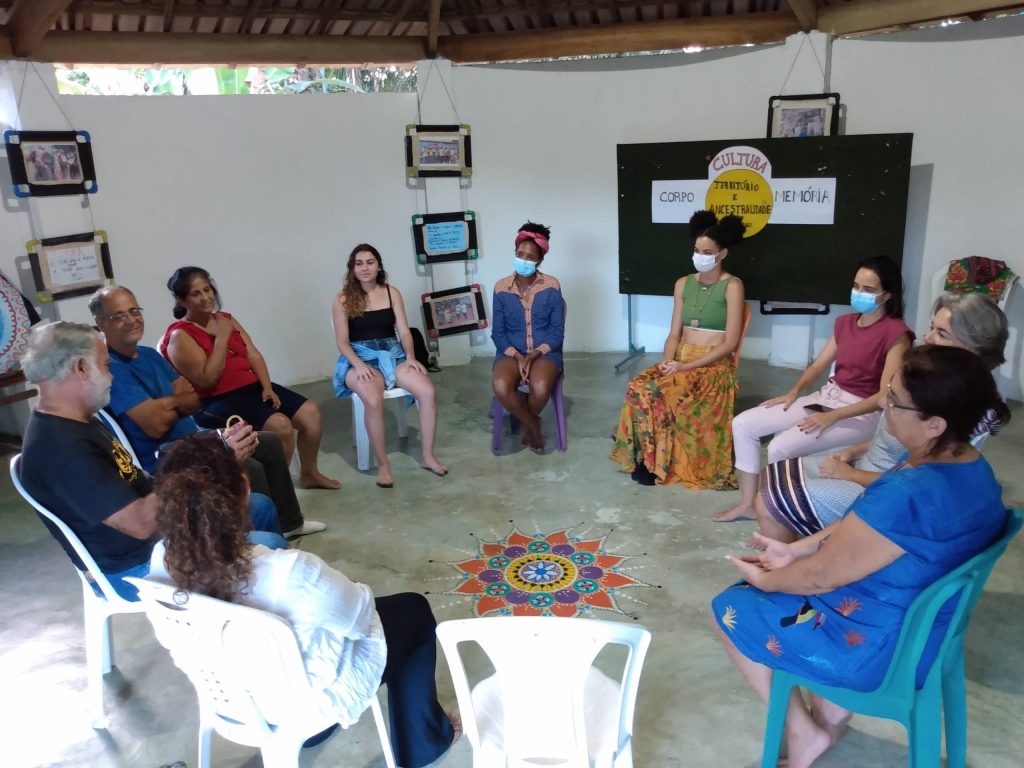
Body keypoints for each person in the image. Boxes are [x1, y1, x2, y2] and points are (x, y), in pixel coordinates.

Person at [712, 345, 1009, 768]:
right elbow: (859, 531)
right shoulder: (970, 466)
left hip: (881, 648)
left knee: (730, 606)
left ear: (934, 424)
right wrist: (794, 549)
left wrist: (767, 579)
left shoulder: (908, 492)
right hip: (925, 629)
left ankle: (805, 732)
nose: (885, 408)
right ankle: (828, 722)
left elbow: (819, 579)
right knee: (792, 579)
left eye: (894, 401)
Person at [149, 435, 458, 767]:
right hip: (300, 702)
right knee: (413, 610)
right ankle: (423, 744)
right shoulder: (290, 573)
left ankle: (318, 734)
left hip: (229, 696)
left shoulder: (161, 562)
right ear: (245, 488)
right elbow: (359, 617)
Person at [17, 322, 286, 602]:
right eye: (106, 365)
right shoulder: (62, 449)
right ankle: (259, 611)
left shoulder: (77, 420)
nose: (111, 376)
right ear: (82, 368)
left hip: (154, 540)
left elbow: (142, 486)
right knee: (271, 545)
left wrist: (213, 447)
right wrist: (215, 465)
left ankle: (254, 601)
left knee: (260, 507)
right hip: (133, 567)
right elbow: (141, 523)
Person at [757, 292, 1009, 541]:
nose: (927, 338)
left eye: (942, 334)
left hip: (882, 493)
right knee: (775, 476)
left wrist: (848, 474)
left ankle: (802, 568)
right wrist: (853, 452)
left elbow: (915, 484)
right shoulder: (937, 379)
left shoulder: (961, 405)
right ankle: (807, 555)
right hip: (869, 469)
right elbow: (893, 436)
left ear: (973, 348)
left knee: (770, 501)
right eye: (931, 328)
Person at [90, 286, 325, 540]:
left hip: (195, 437)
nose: (131, 319)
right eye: (119, 315)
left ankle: (289, 523)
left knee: (266, 441)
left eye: (134, 311)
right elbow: (155, 426)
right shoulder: (113, 368)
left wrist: (166, 403)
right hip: (167, 455)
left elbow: (192, 400)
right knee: (248, 461)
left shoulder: (148, 355)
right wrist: (175, 401)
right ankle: (253, 540)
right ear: (101, 323)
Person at [717, 255, 913, 522]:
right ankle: (749, 504)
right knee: (743, 424)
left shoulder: (896, 333)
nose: (859, 293)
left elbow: (883, 397)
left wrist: (832, 416)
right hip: (826, 398)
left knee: (779, 447)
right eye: (856, 286)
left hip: (860, 413)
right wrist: (793, 392)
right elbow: (820, 364)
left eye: (868, 290)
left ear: (887, 295)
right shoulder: (845, 322)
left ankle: (778, 512)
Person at [158, 266, 340, 490]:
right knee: (280, 426)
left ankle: (309, 474)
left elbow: (253, 354)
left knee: (311, 413)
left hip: (251, 388)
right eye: (196, 294)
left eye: (208, 290)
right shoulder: (180, 335)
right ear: (182, 300)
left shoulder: (226, 319)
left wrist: (267, 387)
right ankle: (277, 491)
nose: (206, 297)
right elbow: (207, 379)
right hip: (215, 400)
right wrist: (222, 338)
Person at [610, 210, 746, 488]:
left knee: (656, 392)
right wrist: (668, 361)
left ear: (723, 254)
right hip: (680, 358)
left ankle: (654, 465)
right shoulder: (683, 283)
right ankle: (645, 458)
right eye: (697, 250)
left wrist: (683, 367)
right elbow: (674, 334)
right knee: (638, 385)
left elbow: (730, 344)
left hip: (712, 366)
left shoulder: (732, 286)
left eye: (708, 251)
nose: (701, 256)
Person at [331, 244, 446, 488]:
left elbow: (404, 331)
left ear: (379, 266)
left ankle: (427, 456)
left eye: (370, 262)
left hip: (393, 353)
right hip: (359, 357)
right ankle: (383, 465)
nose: (365, 267)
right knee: (372, 400)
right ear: (352, 268)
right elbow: (342, 342)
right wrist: (359, 365)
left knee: (427, 392)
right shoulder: (342, 299)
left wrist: (411, 356)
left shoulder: (392, 293)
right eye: (359, 263)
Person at [491, 221, 565, 453]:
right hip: (509, 352)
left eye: (530, 257)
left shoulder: (551, 285)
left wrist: (533, 355)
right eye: (520, 254)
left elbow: (556, 331)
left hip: (545, 352)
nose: (523, 260)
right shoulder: (501, 287)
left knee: (541, 387)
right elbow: (498, 333)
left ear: (540, 260)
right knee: (501, 386)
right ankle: (532, 423)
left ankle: (525, 421)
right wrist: (518, 357)